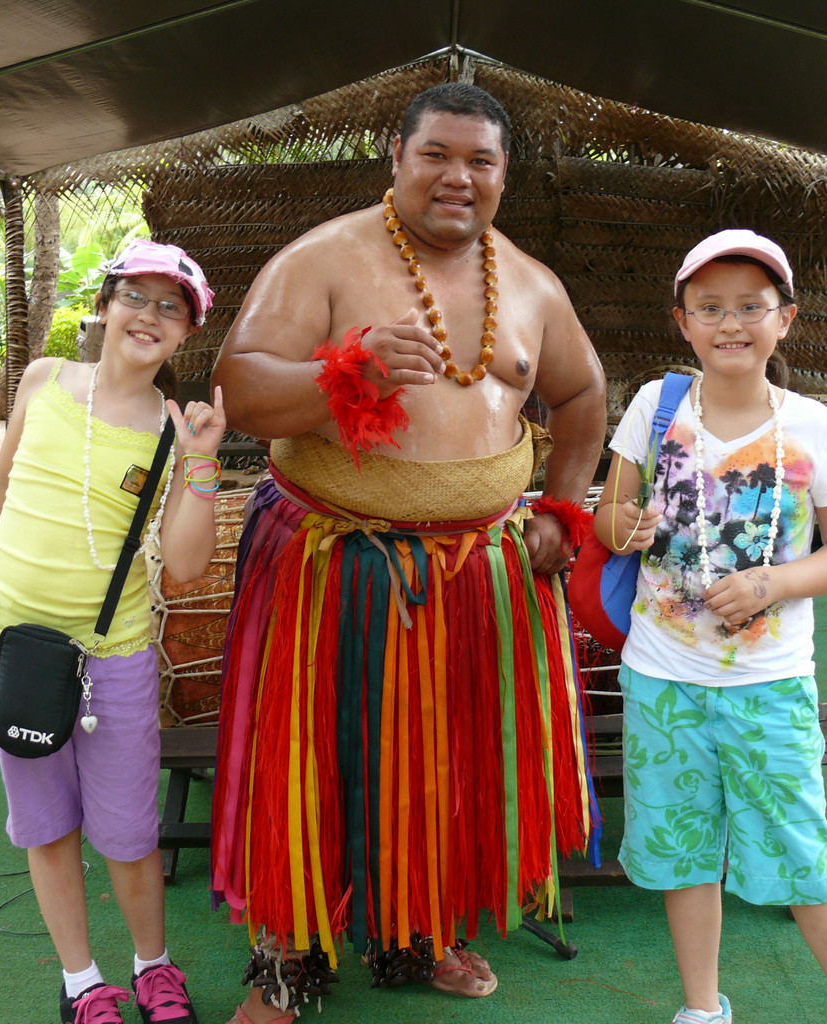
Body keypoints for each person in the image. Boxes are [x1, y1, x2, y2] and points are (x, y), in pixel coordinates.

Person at [206, 82, 607, 1023]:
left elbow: (582, 393)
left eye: (480, 161)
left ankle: (417, 928)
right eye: (436, 155)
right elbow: (240, 389)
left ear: (502, 175)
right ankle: (287, 959)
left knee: (451, 766)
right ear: (397, 156)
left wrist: (561, 508)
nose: (457, 177)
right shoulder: (323, 258)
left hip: (479, 575)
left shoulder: (532, 284)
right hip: (333, 564)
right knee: (309, 767)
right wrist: (344, 374)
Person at [594, 229, 827, 1024]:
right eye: (710, 308)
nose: (730, 324)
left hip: (768, 684)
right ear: (681, 321)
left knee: (801, 853)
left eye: (750, 307)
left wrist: (772, 581)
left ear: (784, 319)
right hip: (660, 680)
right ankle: (701, 1007)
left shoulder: (814, 427)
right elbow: (607, 518)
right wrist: (626, 525)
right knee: (683, 855)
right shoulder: (653, 409)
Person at [0, 240, 226, 1024]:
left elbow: (185, 566)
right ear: (103, 305)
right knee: (45, 824)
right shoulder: (44, 379)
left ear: (187, 332)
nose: (149, 315)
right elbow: (0, 480)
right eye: (135, 296)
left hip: (112, 658)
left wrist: (202, 463)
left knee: (128, 832)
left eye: (171, 307)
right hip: (14, 643)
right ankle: (81, 983)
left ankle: (153, 967)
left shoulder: (172, 429)